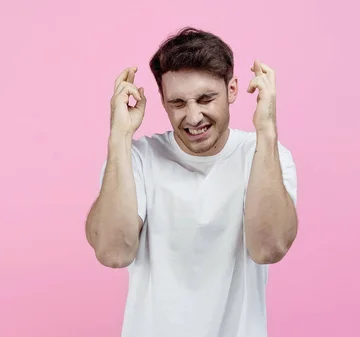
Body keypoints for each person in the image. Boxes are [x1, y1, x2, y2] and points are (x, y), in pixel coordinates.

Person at [85, 27, 298, 337]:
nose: (194, 116)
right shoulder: (137, 159)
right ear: (162, 101)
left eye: (205, 98)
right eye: (178, 103)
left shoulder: (266, 155)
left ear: (232, 90)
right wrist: (119, 137)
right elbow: (113, 252)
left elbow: (268, 248)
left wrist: (267, 130)